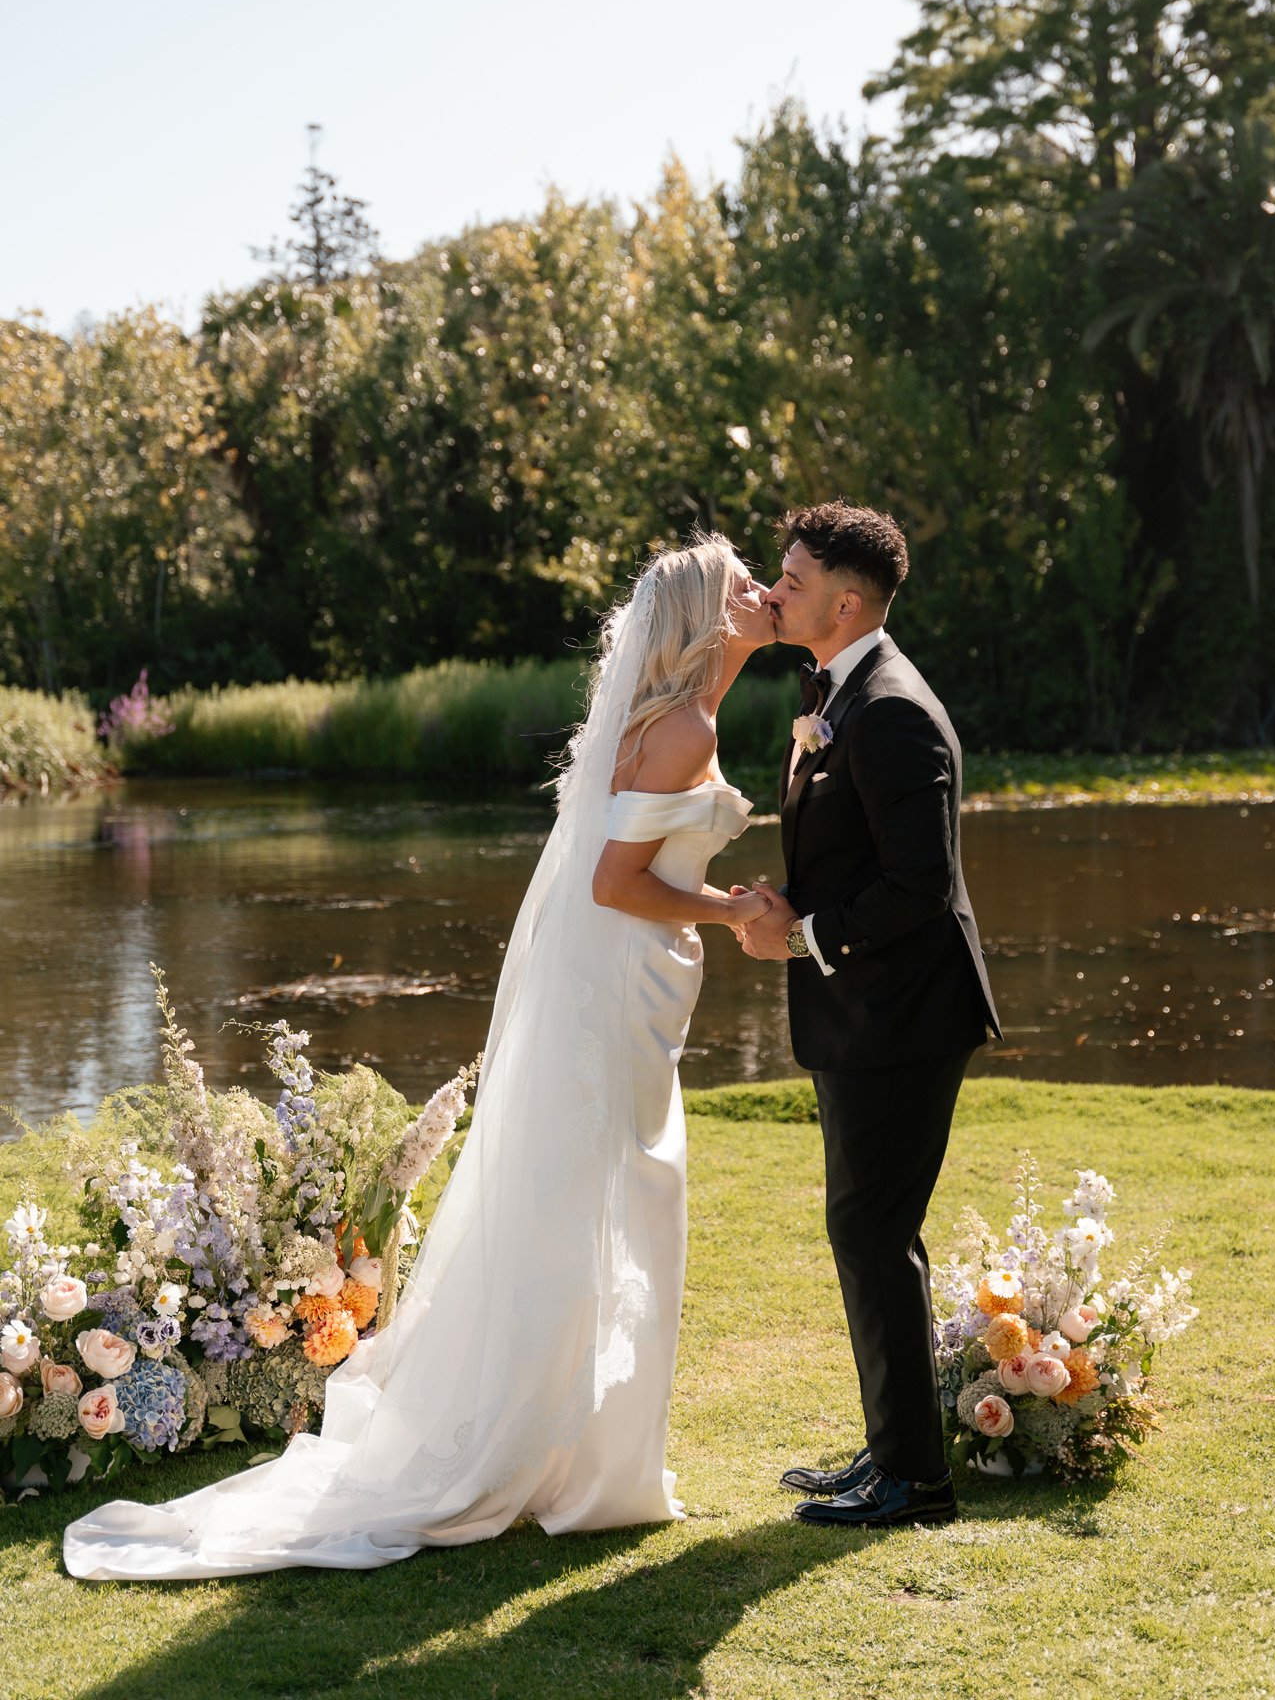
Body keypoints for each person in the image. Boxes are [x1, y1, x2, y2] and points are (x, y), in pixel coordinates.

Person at [64, 534, 775, 1579]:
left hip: (624, 985)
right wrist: (732, 907)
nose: (764, 593)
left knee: (590, 1201)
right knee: (620, 1197)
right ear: (705, 618)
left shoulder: (661, 719)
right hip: (624, 978)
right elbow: (614, 883)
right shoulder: (683, 725)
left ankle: (577, 1450)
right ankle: (571, 1464)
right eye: (744, 585)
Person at [735, 502, 1001, 1529]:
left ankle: (914, 1482)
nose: (776, 588)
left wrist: (799, 936)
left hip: (905, 1017)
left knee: (873, 1230)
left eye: (792, 578)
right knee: (871, 1230)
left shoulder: (890, 707)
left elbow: (921, 885)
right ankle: (892, 1451)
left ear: (847, 600)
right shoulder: (840, 692)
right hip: (868, 1011)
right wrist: (792, 910)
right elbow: (860, 860)